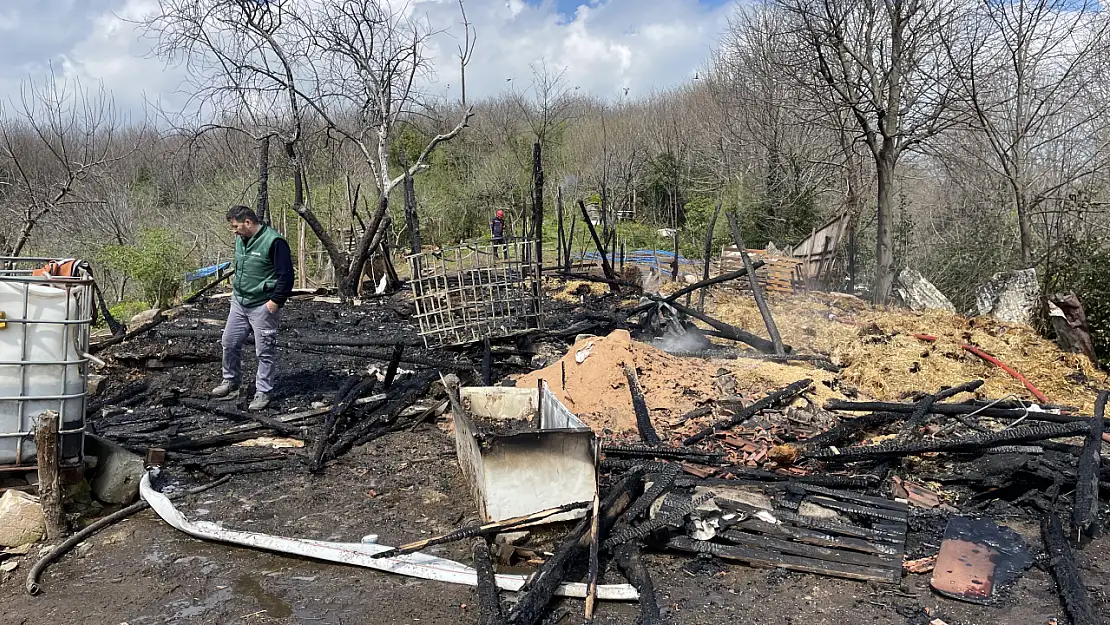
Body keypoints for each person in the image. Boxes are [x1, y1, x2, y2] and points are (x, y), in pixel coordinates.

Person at [210, 206, 294, 410]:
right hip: (239, 301)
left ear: (247, 222)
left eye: (235, 226)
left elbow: (287, 276)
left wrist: (274, 302)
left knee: (264, 350)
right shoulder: (241, 239)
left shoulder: (274, 242)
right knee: (229, 342)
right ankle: (230, 380)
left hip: (262, 304)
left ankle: (263, 391)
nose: (234, 231)